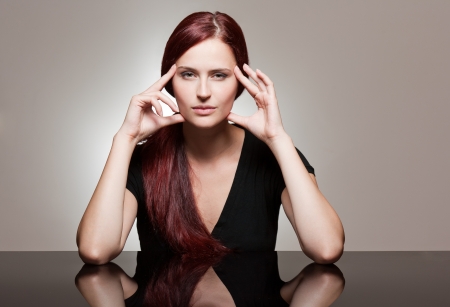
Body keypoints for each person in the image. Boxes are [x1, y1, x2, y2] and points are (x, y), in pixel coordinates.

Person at [76, 11, 345, 265]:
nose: (203, 92)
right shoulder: (143, 159)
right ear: (169, 81)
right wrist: (125, 138)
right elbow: (96, 250)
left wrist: (278, 139)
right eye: (188, 74)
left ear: (240, 82)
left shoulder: (273, 157)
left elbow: (326, 249)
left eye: (219, 75)